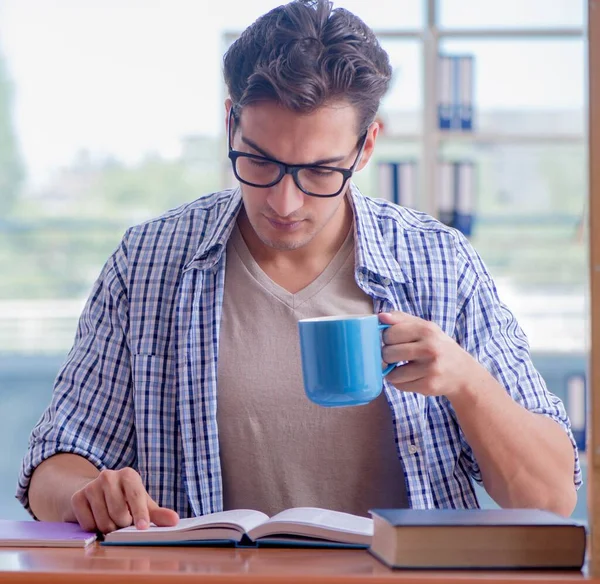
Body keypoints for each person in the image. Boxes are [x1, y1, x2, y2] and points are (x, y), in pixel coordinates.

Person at [18, 0, 580, 534]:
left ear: (366, 147)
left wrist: (467, 383)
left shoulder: (440, 264)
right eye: (259, 161)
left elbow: (552, 497)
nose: (284, 204)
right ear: (230, 123)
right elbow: (51, 464)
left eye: (318, 171)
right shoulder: (148, 263)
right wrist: (87, 493)